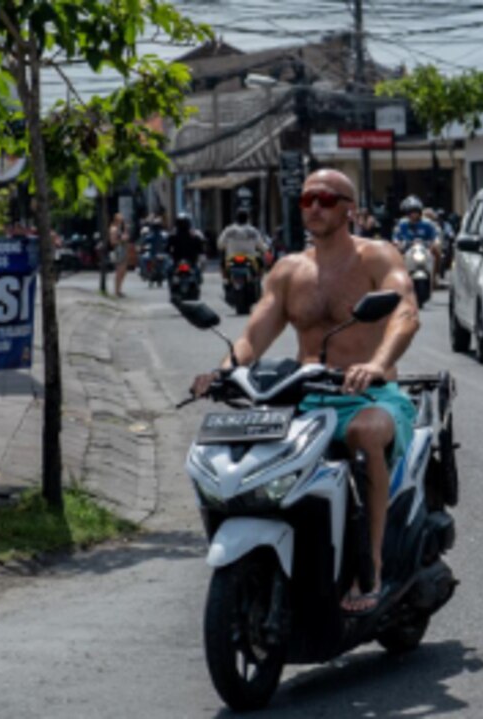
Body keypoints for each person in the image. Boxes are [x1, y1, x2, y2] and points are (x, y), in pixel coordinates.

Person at [190, 169, 420, 614]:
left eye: (328, 199)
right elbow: (253, 338)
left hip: (371, 395)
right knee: (250, 449)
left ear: (349, 208)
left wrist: (375, 365)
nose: (315, 206)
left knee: (365, 434)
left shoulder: (376, 256)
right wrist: (222, 373)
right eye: (308, 199)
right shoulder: (289, 270)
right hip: (304, 396)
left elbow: (405, 313)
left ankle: (369, 565)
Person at [216, 208, 269, 278]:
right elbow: (261, 246)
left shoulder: (228, 230)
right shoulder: (253, 231)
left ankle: (226, 279)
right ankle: (259, 279)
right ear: (248, 218)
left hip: (231, 257)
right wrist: (266, 248)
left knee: (222, 262)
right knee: (261, 263)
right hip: (250, 258)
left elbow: (220, 244)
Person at [167, 213, 204, 281]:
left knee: (170, 270)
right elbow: (200, 248)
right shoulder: (193, 235)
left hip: (184, 260)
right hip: (185, 260)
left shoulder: (173, 235)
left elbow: (167, 248)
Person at [109, 213, 129, 298]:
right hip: (118, 250)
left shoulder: (121, 228)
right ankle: (117, 291)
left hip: (123, 249)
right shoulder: (114, 229)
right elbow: (112, 242)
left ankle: (120, 289)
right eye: (120, 219)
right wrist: (121, 240)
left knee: (124, 271)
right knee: (119, 271)